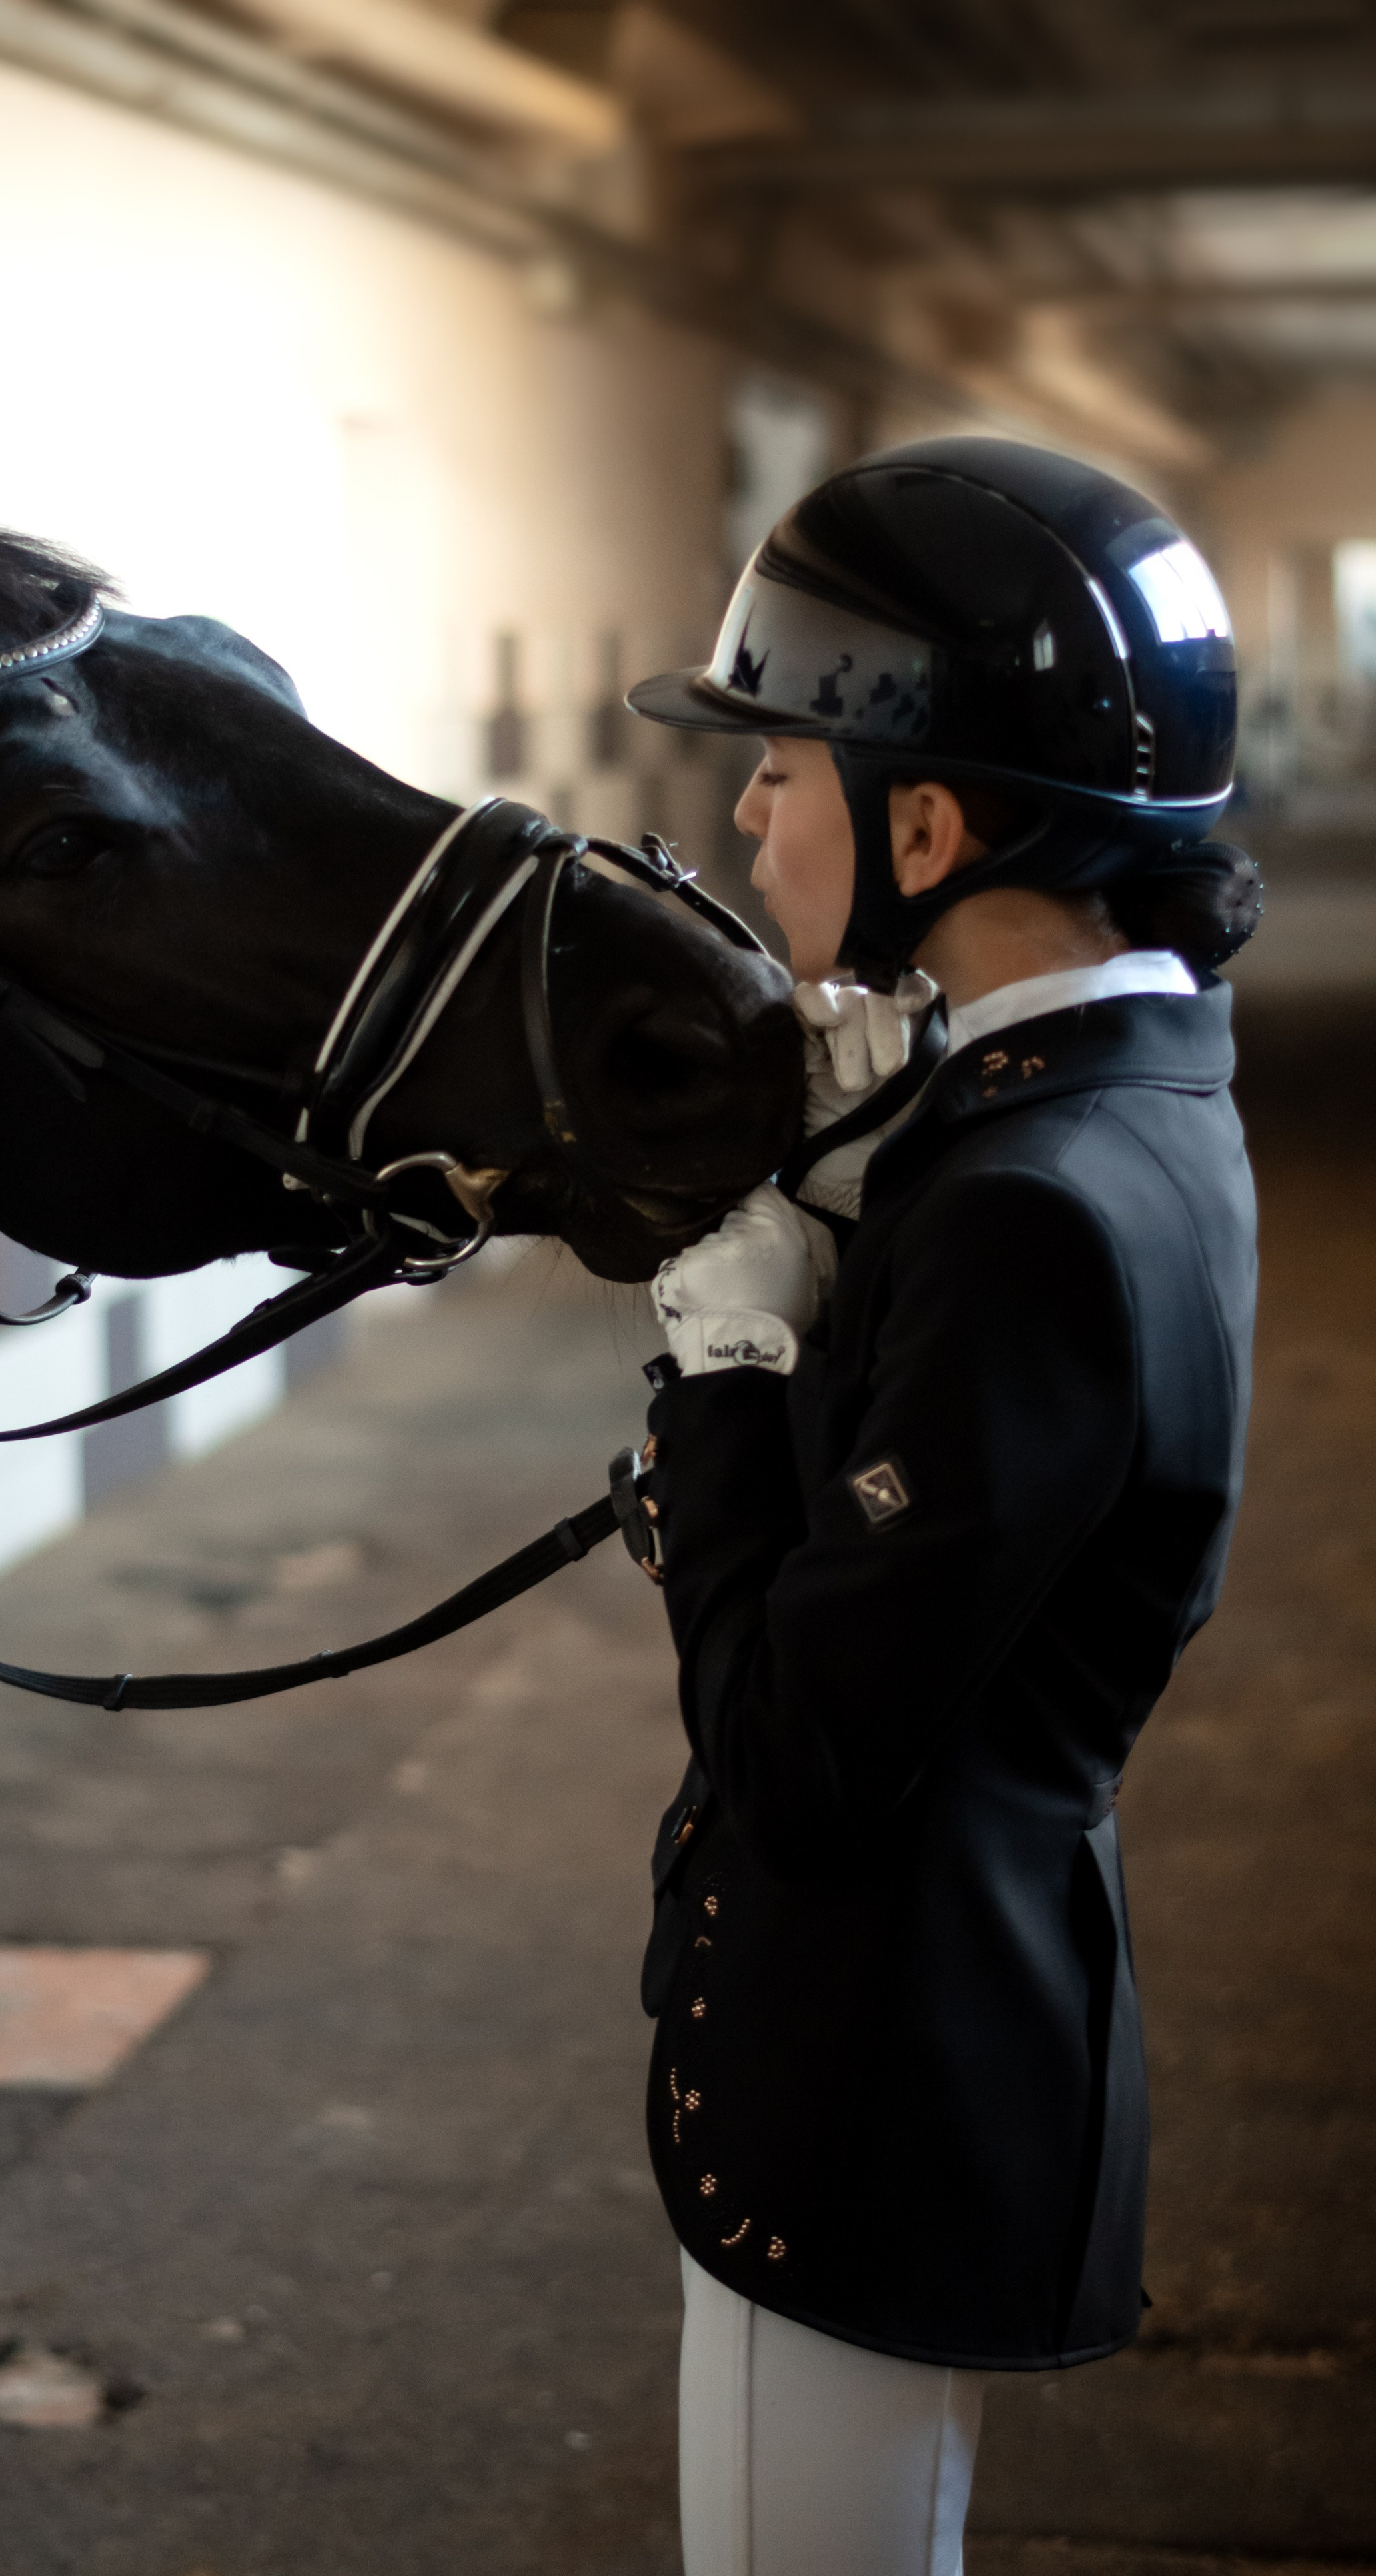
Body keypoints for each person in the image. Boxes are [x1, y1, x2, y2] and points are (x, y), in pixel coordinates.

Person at [622, 435, 1261, 2576]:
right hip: (892, 2041)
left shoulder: (1035, 1207)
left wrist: (729, 1361)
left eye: (777, 771)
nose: (744, 814)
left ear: (927, 821)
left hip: (885, 2071)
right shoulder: (1102, 1095)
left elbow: (803, 1749)